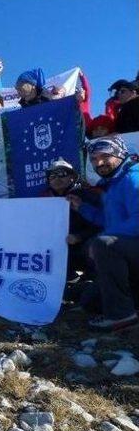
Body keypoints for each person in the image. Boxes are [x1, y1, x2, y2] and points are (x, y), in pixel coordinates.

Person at [67, 136, 139, 331]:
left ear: (120, 154)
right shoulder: (113, 184)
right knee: (89, 301)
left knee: (102, 244)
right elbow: (108, 221)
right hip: (129, 254)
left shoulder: (133, 178)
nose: (99, 162)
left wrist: (100, 241)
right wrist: (82, 207)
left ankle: (123, 316)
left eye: (105, 156)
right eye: (94, 158)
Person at [40, 159, 101, 281]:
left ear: (72, 177)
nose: (57, 178)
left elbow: (101, 225)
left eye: (62, 174)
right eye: (52, 175)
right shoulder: (43, 200)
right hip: (57, 247)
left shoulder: (88, 196)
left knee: (95, 245)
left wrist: (79, 237)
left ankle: (94, 281)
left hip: (83, 244)